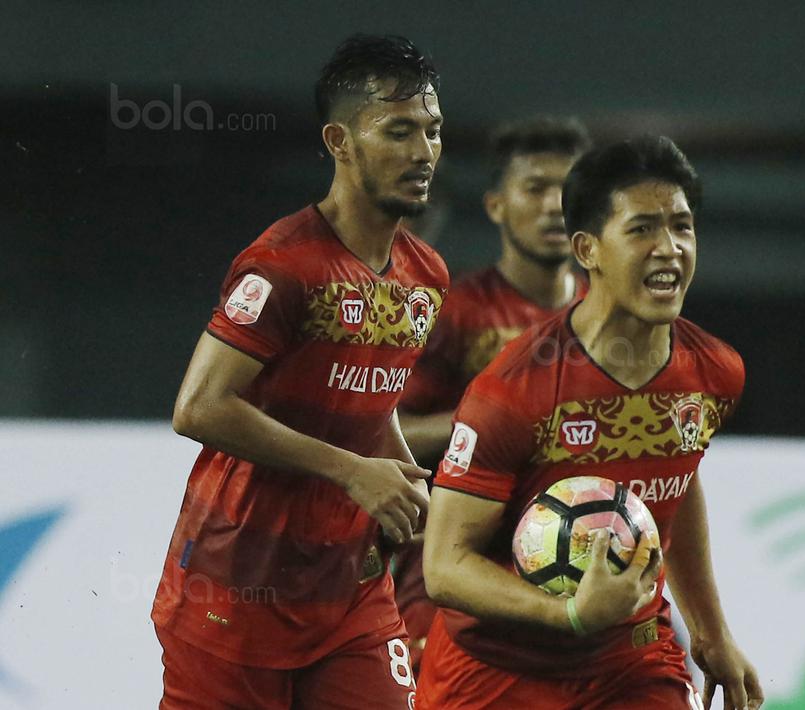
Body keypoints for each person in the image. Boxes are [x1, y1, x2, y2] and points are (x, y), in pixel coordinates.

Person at [151, 34, 447, 709]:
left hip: (349, 593)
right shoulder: (283, 266)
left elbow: (370, 398)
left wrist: (405, 480)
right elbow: (197, 408)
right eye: (398, 131)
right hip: (232, 589)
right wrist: (350, 470)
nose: (423, 151)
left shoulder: (426, 276)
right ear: (340, 142)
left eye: (431, 130)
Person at [417, 136, 763, 709]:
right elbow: (446, 567)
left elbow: (675, 484)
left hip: (630, 659)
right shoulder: (513, 391)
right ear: (587, 249)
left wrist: (710, 632)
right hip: (498, 671)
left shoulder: (715, 372)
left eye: (682, 226)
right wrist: (571, 613)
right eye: (642, 229)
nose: (670, 248)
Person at [393, 116, 591, 668]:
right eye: (535, 188)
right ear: (497, 206)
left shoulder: (614, 316)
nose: (555, 205)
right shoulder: (452, 313)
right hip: (460, 566)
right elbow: (389, 432)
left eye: (568, 190)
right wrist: (483, 422)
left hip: (585, 562)